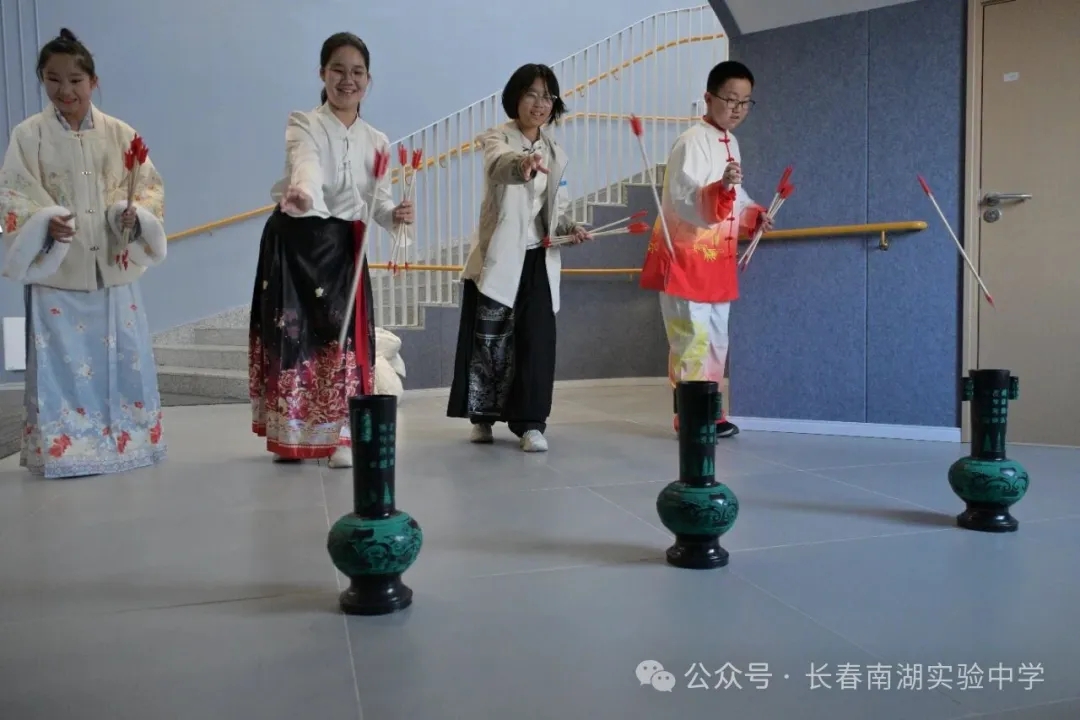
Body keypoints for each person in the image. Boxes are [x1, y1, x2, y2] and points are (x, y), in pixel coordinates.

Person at [0, 29, 168, 478]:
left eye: (75, 80)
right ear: (42, 79)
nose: (65, 91)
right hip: (59, 274)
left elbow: (148, 189)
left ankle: (128, 441)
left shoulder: (121, 134)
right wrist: (44, 221)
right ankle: (69, 450)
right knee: (62, 366)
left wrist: (130, 216)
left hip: (113, 269)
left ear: (93, 81)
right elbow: (14, 195)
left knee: (124, 358)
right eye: (53, 80)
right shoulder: (28, 136)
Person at [249, 32, 413, 468]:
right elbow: (305, 164)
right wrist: (303, 192)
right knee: (293, 338)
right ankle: (293, 435)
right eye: (338, 70)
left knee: (343, 341)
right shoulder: (304, 122)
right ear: (322, 73)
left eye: (357, 72)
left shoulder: (378, 141)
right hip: (296, 241)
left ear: (368, 80)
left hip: (342, 248)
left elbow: (377, 202)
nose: (347, 79)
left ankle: (340, 433)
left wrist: (396, 214)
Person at [446, 63, 589, 453]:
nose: (540, 104)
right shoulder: (497, 138)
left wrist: (570, 228)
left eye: (548, 96)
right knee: (490, 340)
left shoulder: (555, 151)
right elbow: (499, 165)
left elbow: (556, 208)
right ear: (515, 98)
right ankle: (482, 417)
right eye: (531, 94)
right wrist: (522, 165)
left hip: (538, 258)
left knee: (537, 343)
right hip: (498, 257)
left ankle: (531, 424)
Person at [638, 60, 773, 438]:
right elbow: (685, 200)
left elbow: (736, 198)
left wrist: (753, 214)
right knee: (691, 339)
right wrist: (721, 190)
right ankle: (691, 416)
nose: (737, 109)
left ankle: (711, 412)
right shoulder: (690, 141)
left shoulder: (732, 143)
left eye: (745, 102)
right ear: (709, 98)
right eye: (730, 99)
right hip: (686, 258)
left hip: (716, 262)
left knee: (716, 340)